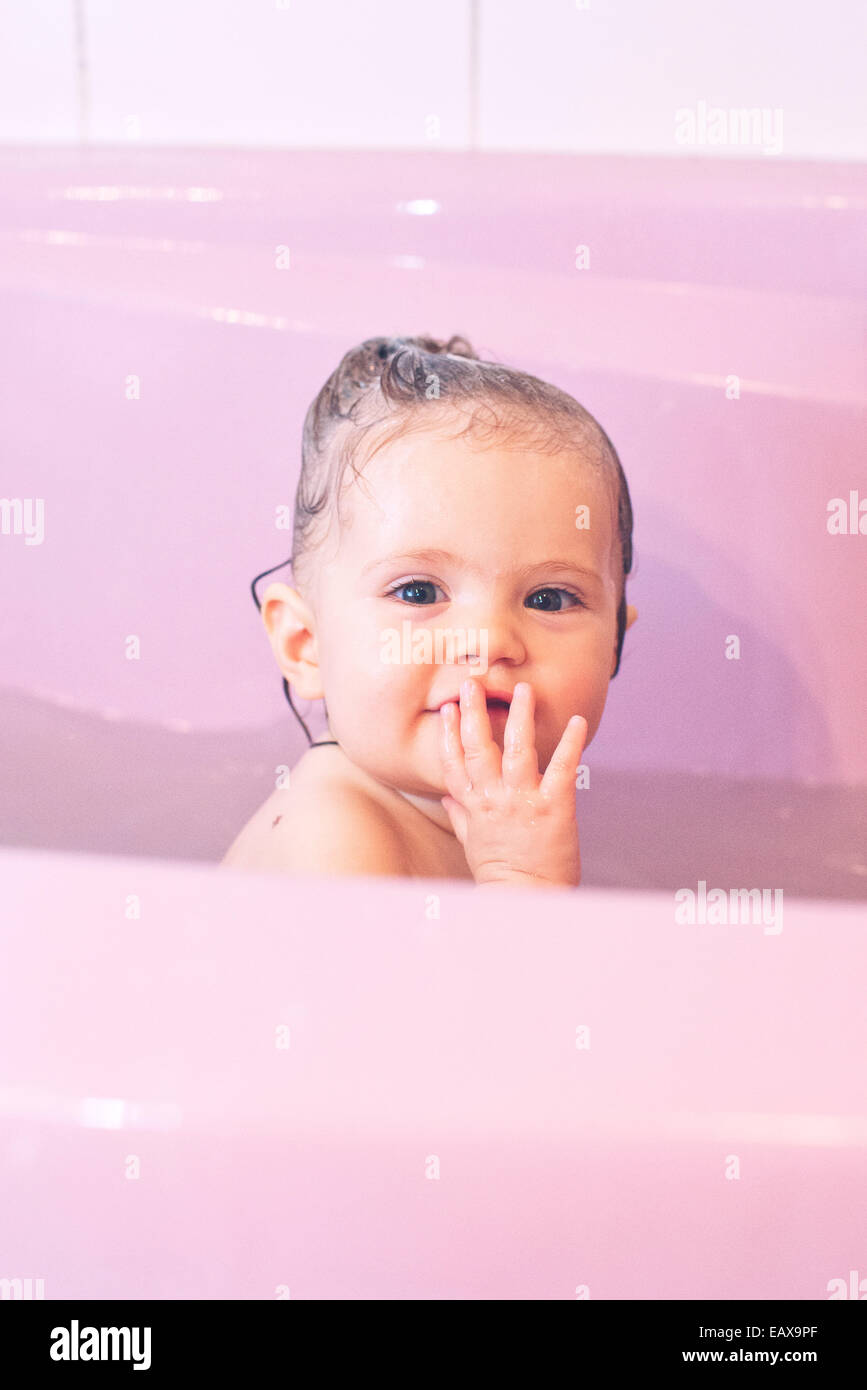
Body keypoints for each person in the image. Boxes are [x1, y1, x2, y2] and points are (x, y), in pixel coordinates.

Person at [221, 335, 637, 887]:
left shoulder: (509, 816)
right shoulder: (334, 841)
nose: (488, 640)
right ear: (306, 644)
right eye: (418, 592)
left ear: (614, 641)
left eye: (548, 599)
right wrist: (523, 883)